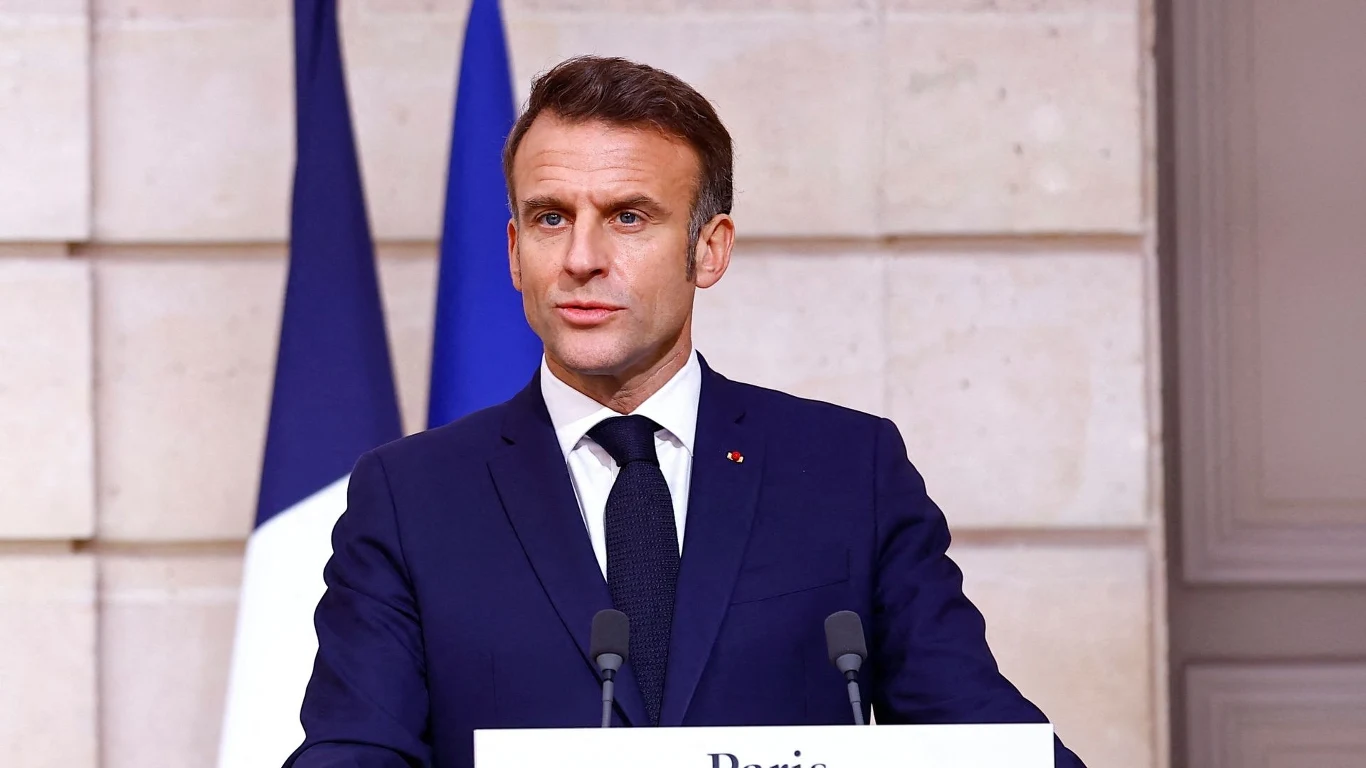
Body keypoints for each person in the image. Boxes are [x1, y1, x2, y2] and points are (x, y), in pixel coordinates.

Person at [285, 55, 1087, 768]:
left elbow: (978, 732)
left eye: (628, 217)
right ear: (513, 252)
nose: (581, 258)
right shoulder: (412, 497)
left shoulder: (847, 472)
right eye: (550, 217)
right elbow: (354, 749)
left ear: (710, 248)